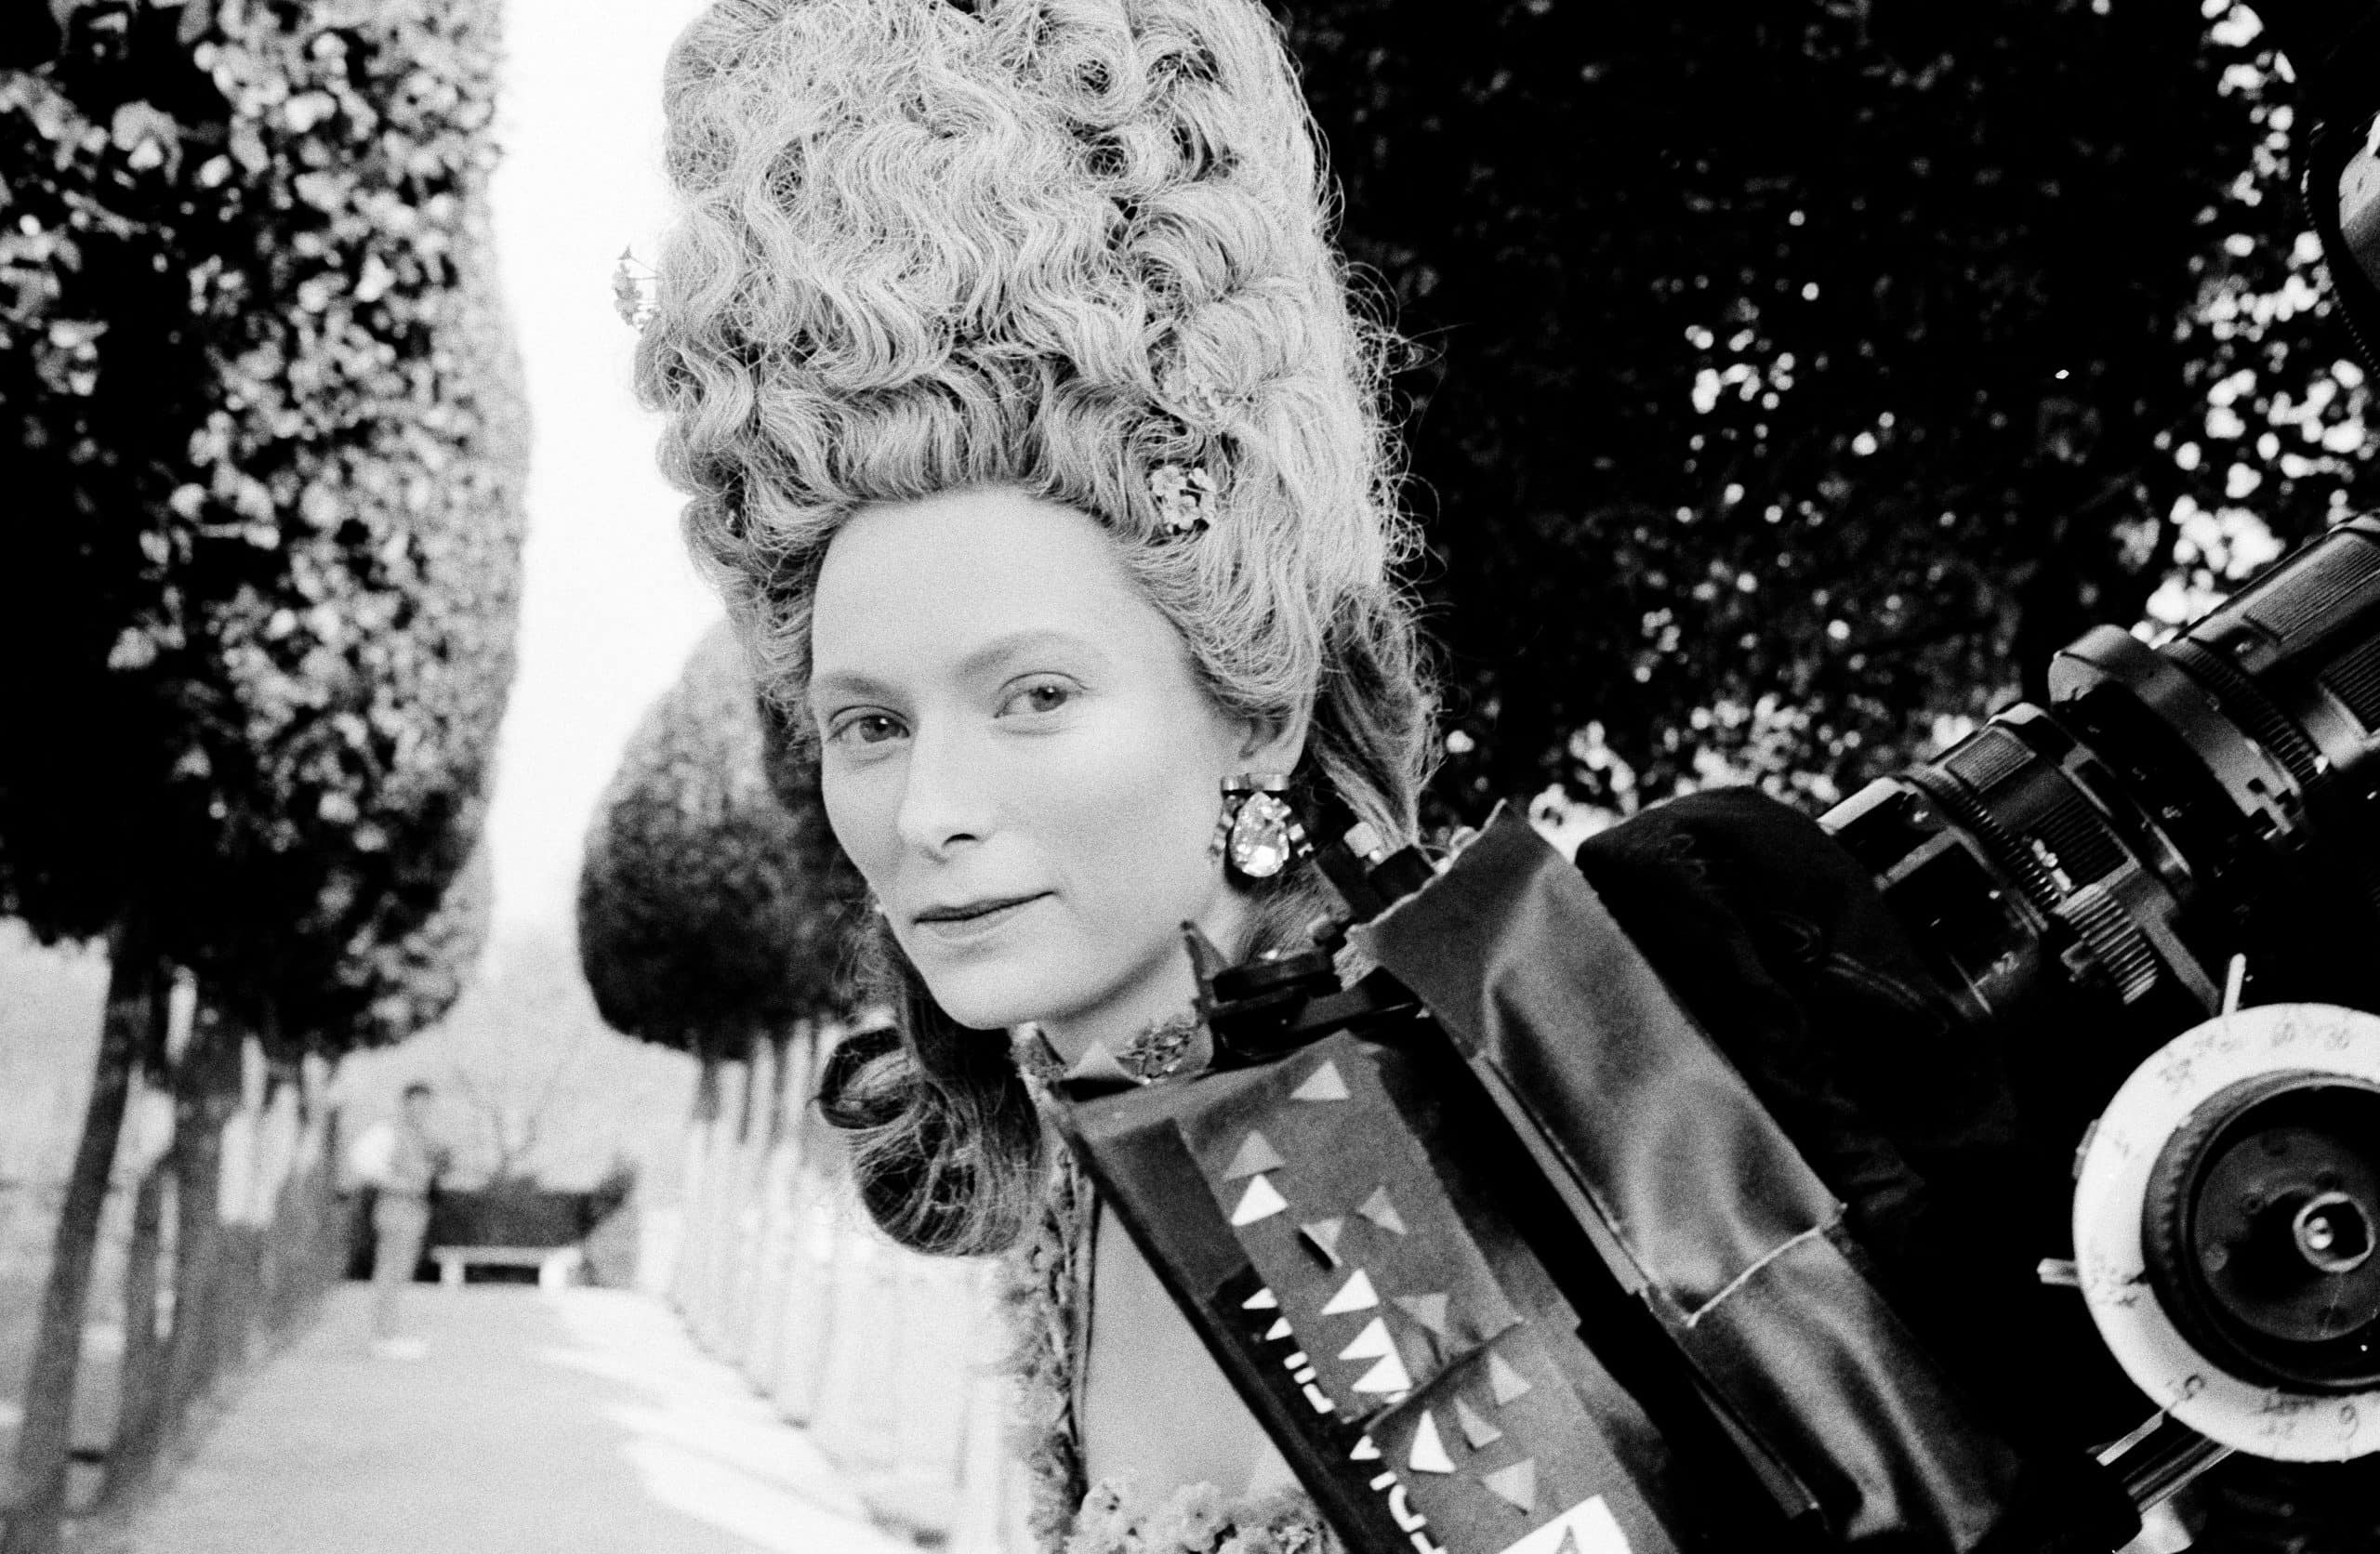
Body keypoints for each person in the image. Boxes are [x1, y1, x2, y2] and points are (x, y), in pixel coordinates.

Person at [627, 4, 2221, 1550]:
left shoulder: (1517, 1103)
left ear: (1251, 711)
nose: (928, 813)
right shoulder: (1086, 1165)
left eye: (1033, 697)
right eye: (869, 726)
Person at [367, 1080, 450, 1359]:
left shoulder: (424, 1136)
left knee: (401, 1272)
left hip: (415, 1210)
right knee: (390, 1271)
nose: (421, 1110)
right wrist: (399, 1183)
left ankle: (389, 1333)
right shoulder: (389, 1131)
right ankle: (384, 1337)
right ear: (405, 1104)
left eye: (426, 1105)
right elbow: (365, 1163)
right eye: (416, 1104)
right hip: (395, 1207)